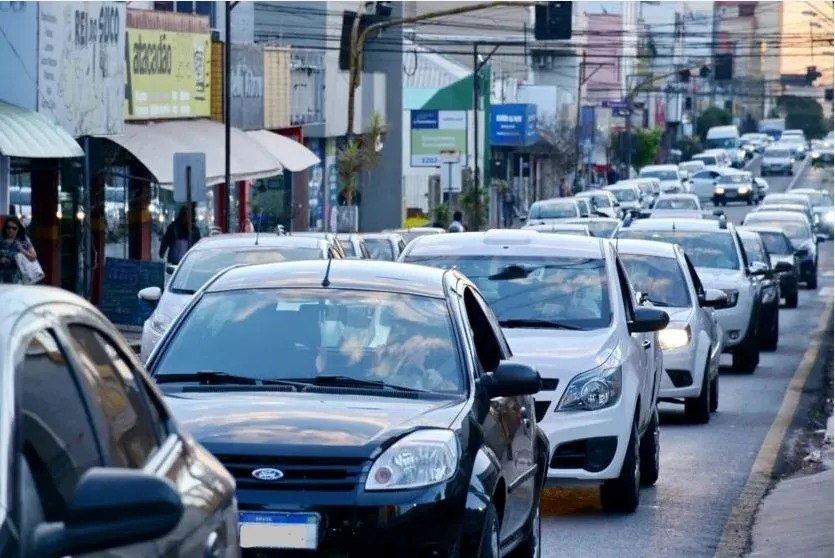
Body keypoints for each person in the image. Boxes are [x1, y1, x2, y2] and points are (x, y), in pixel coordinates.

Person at [0, 216, 38, 284]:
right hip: (2, 280)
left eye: (14, 228)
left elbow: (33, 257)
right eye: (8, 227)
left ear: (18, 228)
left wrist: (22, 250)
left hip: (19, 280)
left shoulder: (23, 239)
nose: (10, 230)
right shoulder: (1, 239)